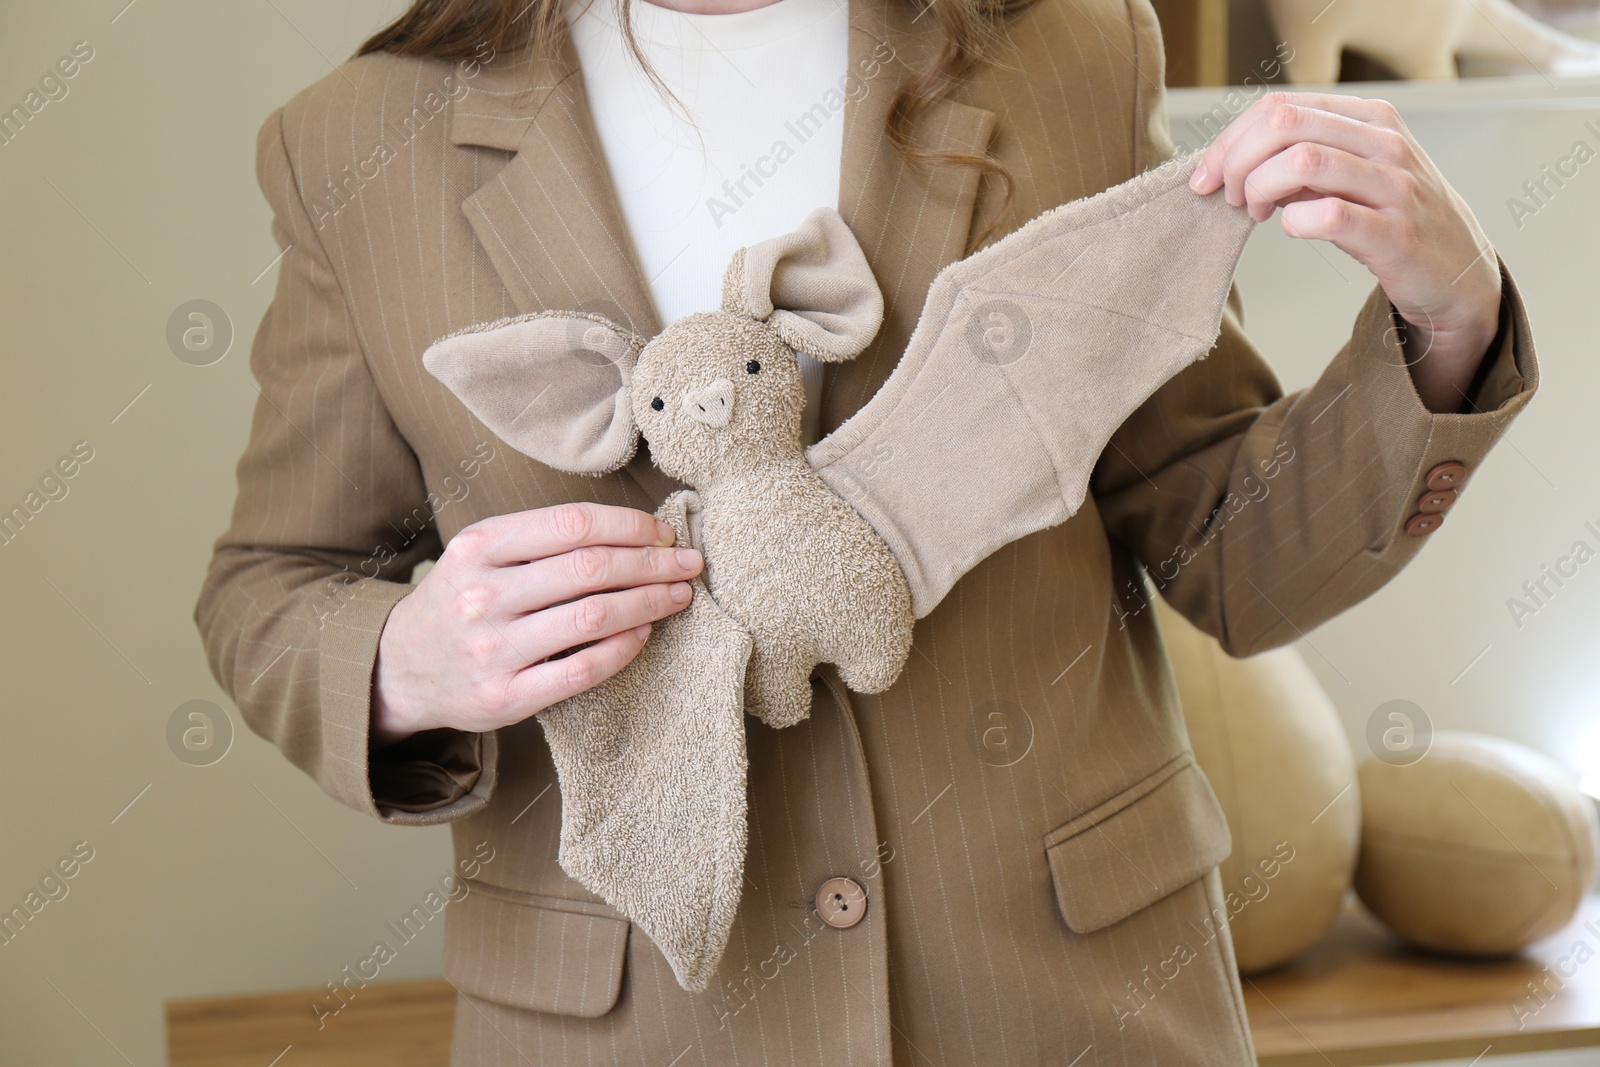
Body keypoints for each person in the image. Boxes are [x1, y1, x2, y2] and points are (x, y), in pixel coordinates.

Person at [195, 0, 1536, 1061]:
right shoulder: (351, 146)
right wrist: (401, 661)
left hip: (1066, 1005)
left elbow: (1232, 552)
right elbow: (270, 587)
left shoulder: (1071, 51)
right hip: (631, 1026)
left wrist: (1449, 320)